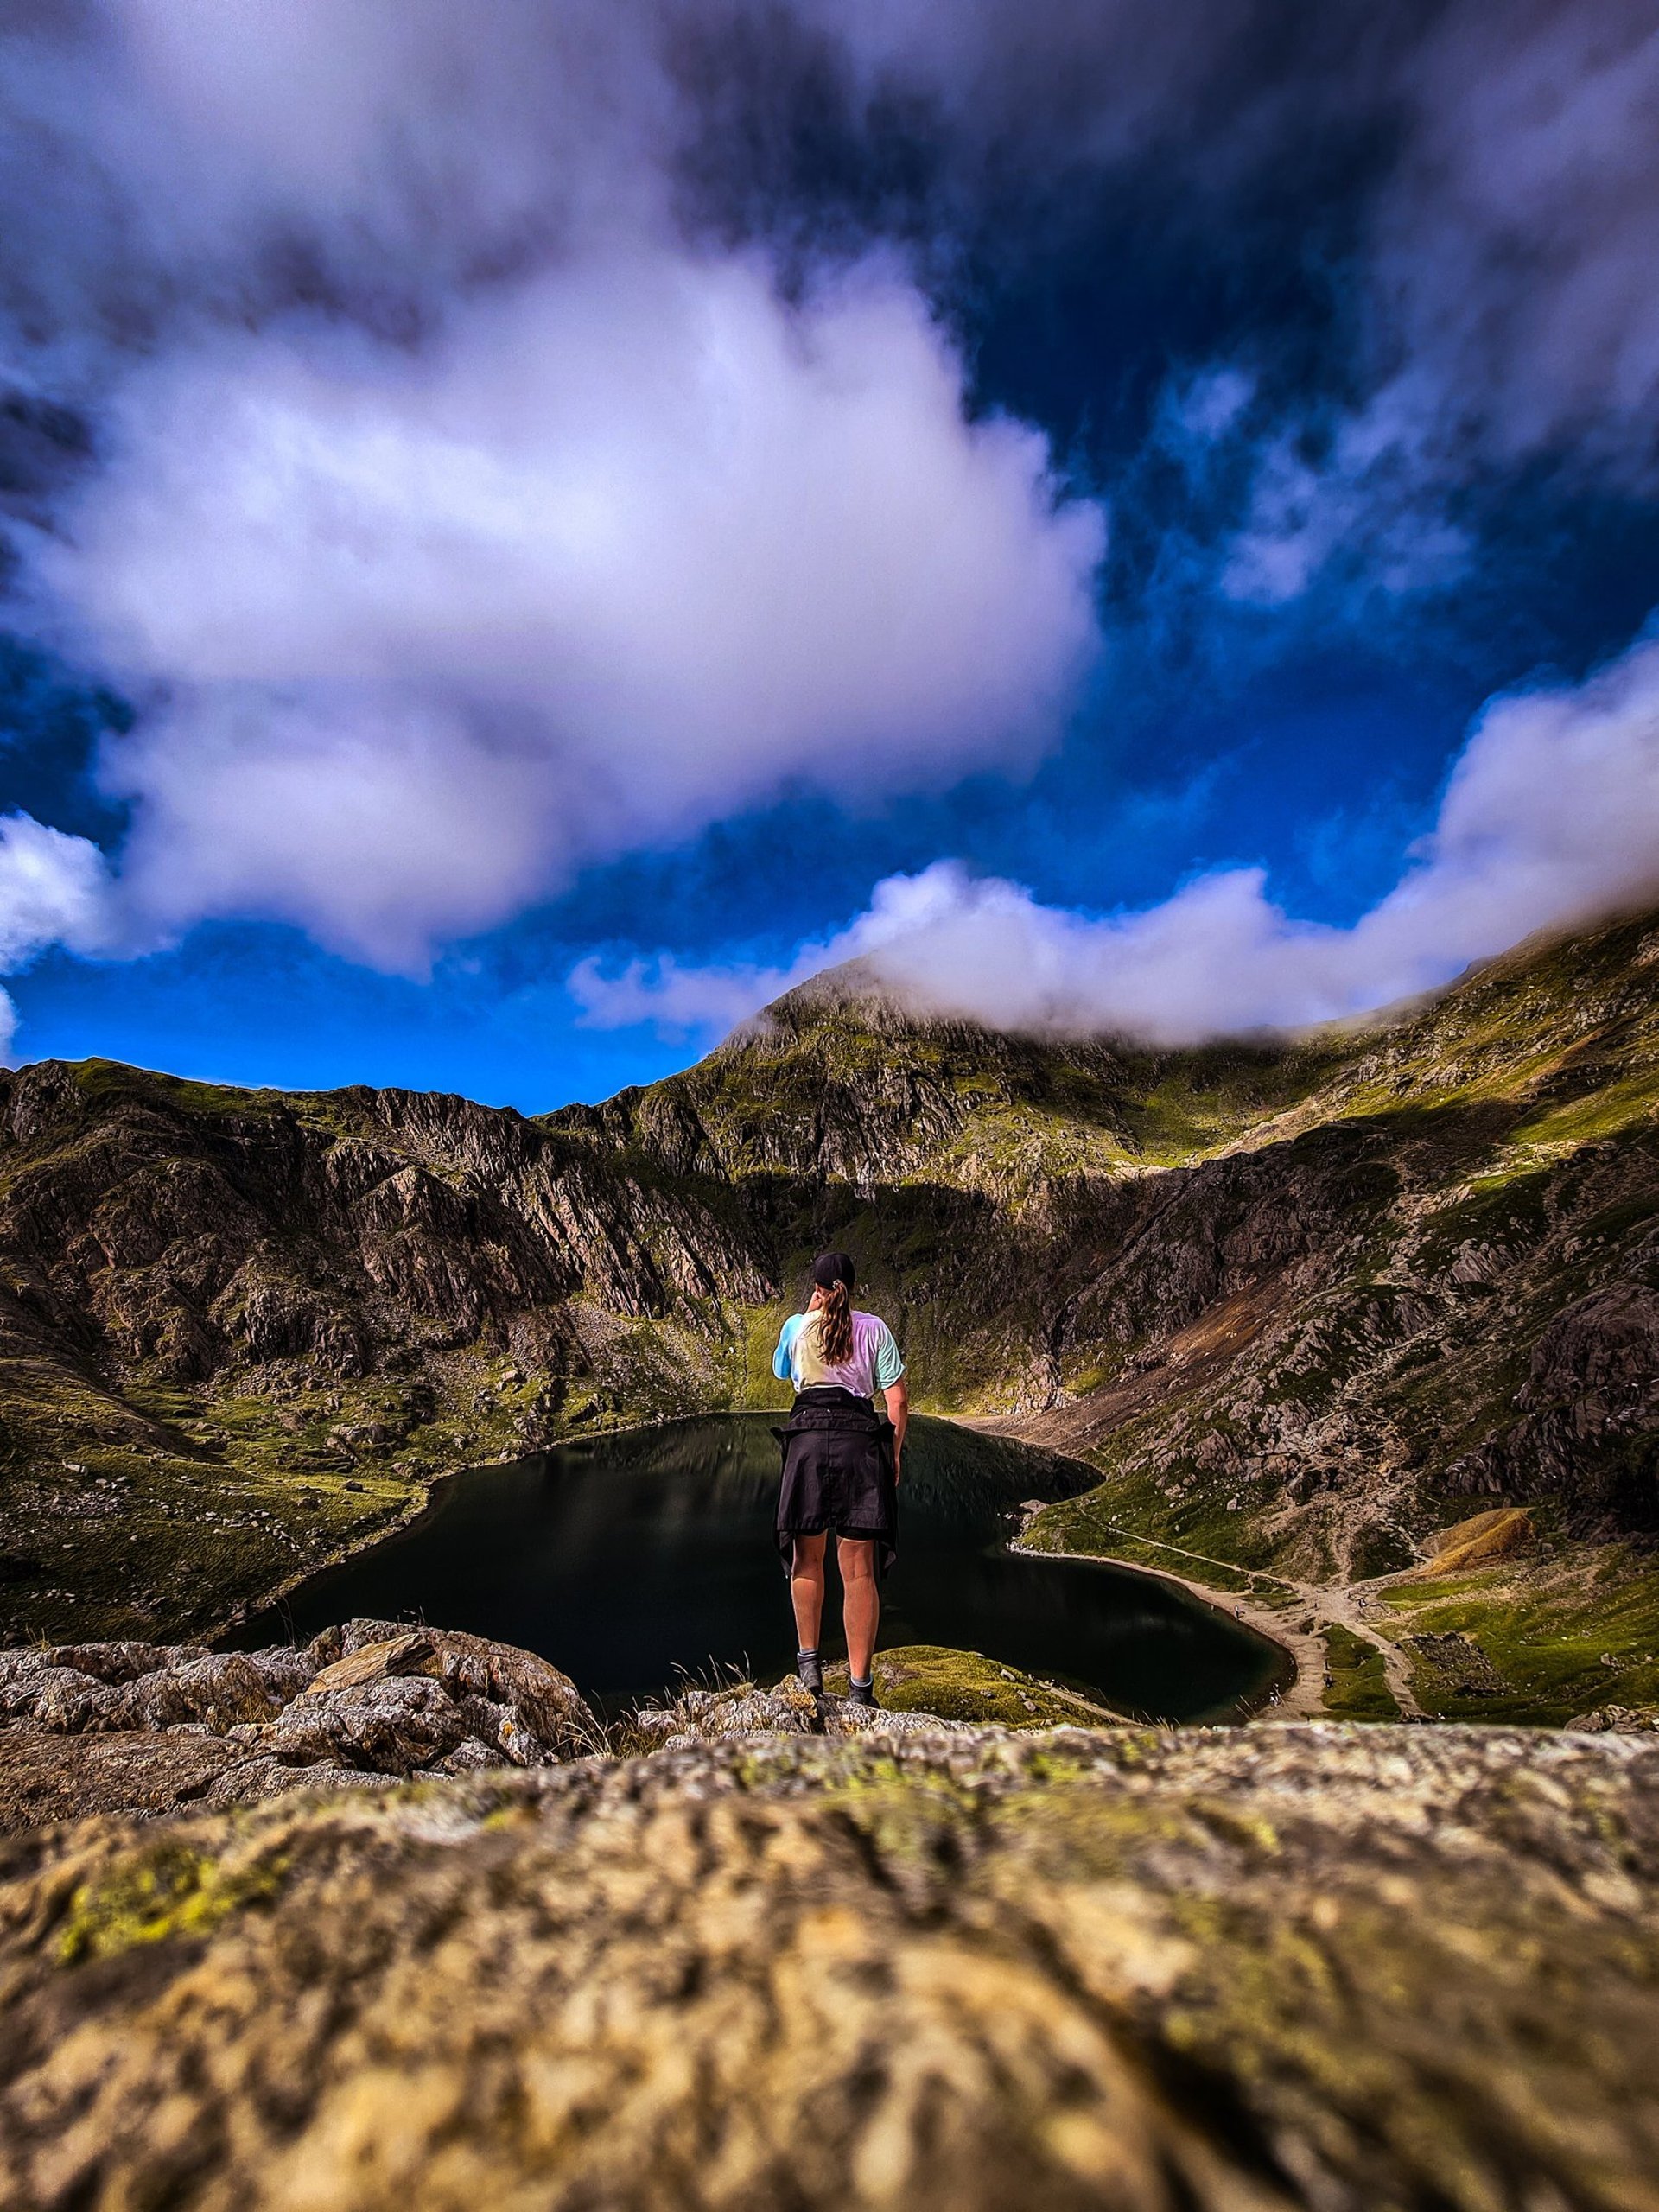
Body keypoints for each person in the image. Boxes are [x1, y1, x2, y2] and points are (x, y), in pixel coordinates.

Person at [771, 1250, 907, 1707]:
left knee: (807, 1562)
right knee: (858, 1572)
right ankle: (860, 1688)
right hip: (859, 1446)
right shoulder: (876, 1329)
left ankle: (809, 1669)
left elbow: (781, 1371)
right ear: (852, 1285)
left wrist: (807, 1315)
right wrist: (893, 1454)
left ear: (818, 1287)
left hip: (807, 1444)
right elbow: (898, 1402)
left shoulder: (796, 1327)